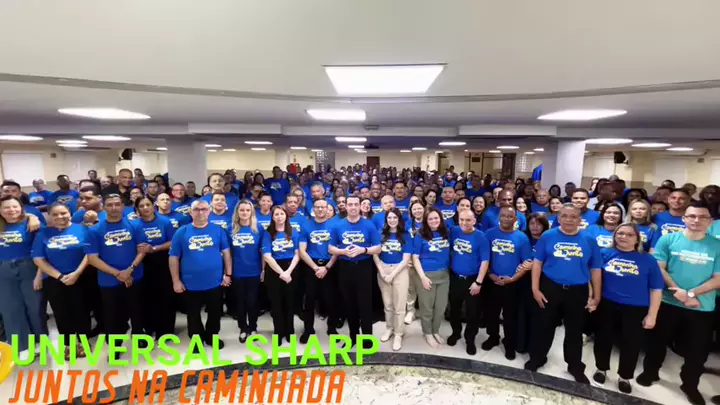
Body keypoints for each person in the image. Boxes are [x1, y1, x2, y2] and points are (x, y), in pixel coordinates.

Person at [637, 202, 720, 405]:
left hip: (701, 306)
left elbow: (718, 278)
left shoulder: (717, 245)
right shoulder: (668, 239)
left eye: (702, 217)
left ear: (710, 221)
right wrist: (679, 292)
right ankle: (650, 373)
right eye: (692, 216)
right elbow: (659, 268)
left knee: (697, 351)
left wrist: (691, 293)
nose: (696, 220)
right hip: (667, 302)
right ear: (684, 219)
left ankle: (689, 385)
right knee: (657, 342)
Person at [526, 204, 602, 384]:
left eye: (573, 216)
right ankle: (537, 358)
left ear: (580, 219)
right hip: (550, 287)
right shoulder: (548, 236)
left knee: (574, 331)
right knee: (544, 326)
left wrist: (597, 296)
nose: (569, 219)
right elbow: (537, 263)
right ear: (558, 218)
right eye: (565, 216)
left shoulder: (589, 240)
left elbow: (596, 269)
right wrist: (535, 289)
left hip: (577, 291)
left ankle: (575, 366)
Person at [591, 223, 663, 394]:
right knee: (603, 339)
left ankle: (625, 376)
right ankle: (601, 369)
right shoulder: (604, 253)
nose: (623, 237)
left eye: (629, 234)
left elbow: (656, 289)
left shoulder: (648, 259)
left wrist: (652, 315)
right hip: (607, 303)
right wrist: (593, 298)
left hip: (635, 308)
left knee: (631, 343)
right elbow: (594, 278)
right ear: (614, 236)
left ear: (637, 239)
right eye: (620, 233)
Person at [85, 194, 147, 355]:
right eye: (110, 204)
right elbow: (92, 259)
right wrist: (119, 274)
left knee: (137, 310)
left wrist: (130, 270)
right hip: (108, 280)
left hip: (134, 276)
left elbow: (142, 251)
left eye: (117, 204)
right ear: (104, 207)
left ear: (122, 206)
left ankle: (139, 336)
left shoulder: (134, 225)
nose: (114, 207)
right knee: (112, 316)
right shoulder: (94, 230)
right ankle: (115, 346)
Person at [169, 199, 231, 350]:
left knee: (215, 313)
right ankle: (196, 340)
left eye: (204, 209)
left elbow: (226, 253)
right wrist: (176, 280)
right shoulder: (181, 232)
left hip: (215, 281)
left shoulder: (218, 230)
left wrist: (228, 274)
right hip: (190, 282)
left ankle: (212, 337)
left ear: (209, 211)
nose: (200, 212)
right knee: (193, 314)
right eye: (196, 209)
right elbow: (173, 257)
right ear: (191, 212)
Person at [33, 202, 90, 359]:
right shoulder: (43, 233)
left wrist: (76, 273)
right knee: (61, 312)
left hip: (80, 276)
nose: (60, 217)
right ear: (49, 216)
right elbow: (38, 259)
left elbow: (89, 254)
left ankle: (84, 342)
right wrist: (59, 276)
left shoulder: (81, 229)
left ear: (70, 213)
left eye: (63, 213)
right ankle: (69, 345)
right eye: (55, 214)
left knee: (82, 310)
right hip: (54, 279)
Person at [328, 195, 381, 348]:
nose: (353, 207)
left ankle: (367, 340)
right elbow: (330, 248)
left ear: (359, 206)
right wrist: (343, 252)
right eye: (350, 204)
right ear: (345, 206)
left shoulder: (369, 225)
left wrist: (363, 250)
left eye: (355, 204)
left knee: (365, 304)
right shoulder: (338, 225)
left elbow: (378, 248)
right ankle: (353, 337)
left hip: (364, 267)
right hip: (345, 267)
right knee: (349, 304)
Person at [0, 196, 46, 353]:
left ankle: (40, 342)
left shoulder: (31, 224)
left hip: (29, 267)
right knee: (10, 308)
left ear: (21, 208)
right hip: (3, 269)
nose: (11, 210)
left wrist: (40, 274)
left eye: (15, 206)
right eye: (6, 207)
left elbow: (42, 251)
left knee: (35, 306)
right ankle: (21, 346)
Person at [484, 207, 532, 360]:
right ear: (499, 217)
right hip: (492, 281)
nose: (505, 218)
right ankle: (493, 337)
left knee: (510, 316)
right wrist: (490, 275)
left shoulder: (522, 238)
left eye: (509, 216)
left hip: (512, 283)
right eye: (503, 215)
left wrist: (513, 278)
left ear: (515, 219)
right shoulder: (489, 234)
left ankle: (509, 343)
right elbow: (484, 258)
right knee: (491, 313)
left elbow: (526, 263)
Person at [447, 209, 490, 354]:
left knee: (473, 312)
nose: (464, 223)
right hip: (455, 277)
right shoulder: (454, 231)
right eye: (462, 220)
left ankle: (470, 339)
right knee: (454, 309)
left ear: (474, 221)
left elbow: (485, 261)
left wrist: (478, 282)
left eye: (468, 220)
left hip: (473, 279)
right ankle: (456, 332)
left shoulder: (481, 237)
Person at [134, 196, 176, 339]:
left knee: (165, 296)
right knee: (146, 297)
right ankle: (149, 327)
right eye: (141, 206)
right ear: (137, 209)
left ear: (153, 206)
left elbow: (173, 242)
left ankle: (165, 330)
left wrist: (154, 248)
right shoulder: (133, 225)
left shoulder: (165, 222)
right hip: (142, 263)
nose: (145, 208)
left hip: (162, 261)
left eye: (148, 204)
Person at [298, 198, 338, 343]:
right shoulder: (306, 225)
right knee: (309, 300)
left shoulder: (334, 225)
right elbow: (302, 250)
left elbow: (337, 249)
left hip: (330, 265)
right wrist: (315, 268)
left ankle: (332, 328)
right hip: (311, 266)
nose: (320, 209)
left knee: (331, 299)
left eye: (323, 207)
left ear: (327, 209)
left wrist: (326, 267)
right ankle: (308, 329)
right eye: (317, 207)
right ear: (313, 209)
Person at [373, 208, 412, 351]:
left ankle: (398, 334)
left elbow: (406, 259)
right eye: (389, 217)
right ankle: (389, 328)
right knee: (388, 304)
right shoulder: (380, 234)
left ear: (399, 219)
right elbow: (375, 254)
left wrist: (392, 274)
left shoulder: (406, 235)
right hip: (383, 269)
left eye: (395, 217)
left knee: (399, 306)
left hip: (399, 270)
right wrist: (382, 271)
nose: (392, 220)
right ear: (386, 219)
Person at [413, 207, 451, 348]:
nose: (434, 221)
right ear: (426, 221)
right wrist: (422, 277)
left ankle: (435, 330)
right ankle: (427, 333)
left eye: (436, 218)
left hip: (444, 275)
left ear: (440, 219)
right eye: (430, 219)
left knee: (440, 307)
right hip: (426, 275)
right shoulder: (420, 235)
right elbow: (415, 257)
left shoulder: (446, 232)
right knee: (427, 308)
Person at [262, 206, 300, 344]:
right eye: (276, 214)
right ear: (272, 217)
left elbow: (297, 254)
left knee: (290, 302)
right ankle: (278, 331)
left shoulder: (293, 232)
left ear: (286, 216)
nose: (279, 217)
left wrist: (288, 272)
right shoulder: (268, 233)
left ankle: (290, 331)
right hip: (274, 270)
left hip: (291, 268)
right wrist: (282, 273)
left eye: (282, 214)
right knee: (276, 303)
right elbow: (267, 256)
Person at [229, 200, 264, 343]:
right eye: (242, 210)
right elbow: (227, 253)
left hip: (254, 271)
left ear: (252, 212)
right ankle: (243, 327)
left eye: (247, 210)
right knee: (240, 302)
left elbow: (263, 251)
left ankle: (253, 327)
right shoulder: (230, 229)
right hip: (237, 271)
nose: (244, 213)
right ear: (237, 212)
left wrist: (263, 270)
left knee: (252, 301)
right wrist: (227, 272)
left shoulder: (258, 228)